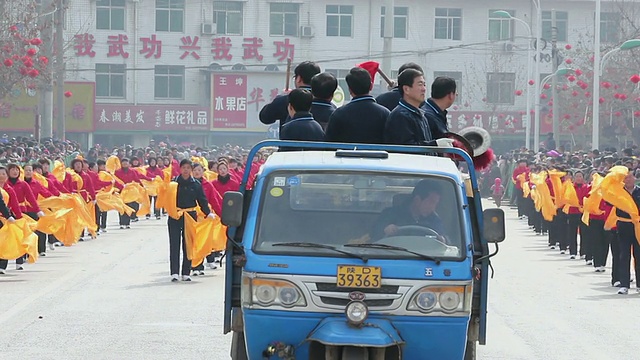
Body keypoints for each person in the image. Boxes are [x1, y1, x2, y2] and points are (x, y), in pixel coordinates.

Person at [168, 159, 215, 282]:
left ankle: (186, 272)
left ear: (191, 170)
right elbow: (167, 198)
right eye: (184, 167)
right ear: (180, 168)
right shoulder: (173, 183)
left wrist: (208, 213)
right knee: (174, 244)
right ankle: (174, 272)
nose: (186, 170)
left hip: (190, 215)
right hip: (175, 215)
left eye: (188, 168)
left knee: (188, 244)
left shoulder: (196, 184)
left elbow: (202, 200)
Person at [384, 69, 453, 148]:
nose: (424, 89)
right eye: (420, 85)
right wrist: (435, 144)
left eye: (424, 85)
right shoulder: (400, 116)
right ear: (406, 89)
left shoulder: (420, 114)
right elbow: (407, 148)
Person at [324, 67, 390, 144]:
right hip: (378, 155)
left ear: (349, 89)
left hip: (345, 155)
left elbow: (329, 143)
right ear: (371, 86)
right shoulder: (385, 114)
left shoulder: (338, 114)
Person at [371, 179, 446, 241]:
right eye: (431, 202)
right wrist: (384, 230)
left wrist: (443, 240)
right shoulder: (390, 214)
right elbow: (373, 235)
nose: (433, 208)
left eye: (435, 204)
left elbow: (445, 240)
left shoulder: (434, 220)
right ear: (417, 200)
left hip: (427, 258)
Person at [259, 61, 321, 134]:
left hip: (289, 143)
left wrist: (282, 96)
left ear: (299, 79)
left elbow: (265, 117)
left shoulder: (287, 99)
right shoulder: (325, 101)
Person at [615, 171, 640, 295]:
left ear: (634, 178)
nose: (628, 179)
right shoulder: (618, 192)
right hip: (623, 225)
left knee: (638, 255)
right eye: (625, 178)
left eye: (630, 177)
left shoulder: (639, 191)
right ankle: (624, 284)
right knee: (624, 255)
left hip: (638, 226)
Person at [114, 158, 141, 229]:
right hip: (120, 191)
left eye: (126, 163)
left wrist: (141, 186)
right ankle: (122, 222)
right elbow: (115, 181)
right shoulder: (117, 172)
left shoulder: (132, 171)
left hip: (129, 192)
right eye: (123, 163)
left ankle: (127, 222)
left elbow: (136, 179)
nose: (125, 165)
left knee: (129, 206)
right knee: (121, 206)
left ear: (129, 164)